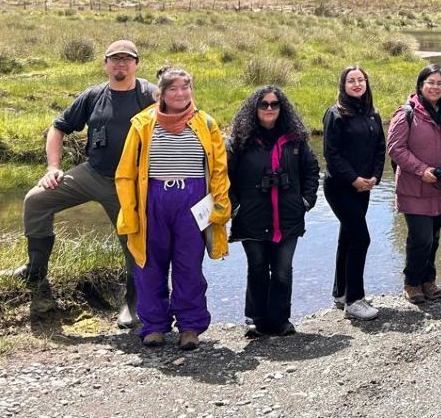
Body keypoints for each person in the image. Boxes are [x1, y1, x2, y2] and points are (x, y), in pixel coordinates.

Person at [6, 40, 155, 327]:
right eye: (114, 59)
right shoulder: (94, 95)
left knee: (134, 244)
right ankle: (35, 270)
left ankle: (132, 303)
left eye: (127, 59)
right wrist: (53, 168)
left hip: (132, 184)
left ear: (136, 63)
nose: (120, 64)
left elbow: (179, 118)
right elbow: (58, 127)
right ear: (105, 63)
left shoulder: (148, 94)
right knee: (36, 200)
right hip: (94, 173)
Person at [115, 67, 230, 350]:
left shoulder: (206, 123)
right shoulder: (142, 123)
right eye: (173, 89)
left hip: (192, 203)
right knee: (149, 265)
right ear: (161, 94)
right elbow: (126, 173)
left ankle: (189, 327)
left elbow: (218, 169)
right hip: (152, 200)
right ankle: (154, 326)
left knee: (188, 266)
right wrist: (129, 212)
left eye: (185, 87)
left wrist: (220, 204)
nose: (180, 94)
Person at [227, 85, 319, 337]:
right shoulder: (239, 141)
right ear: (254, 108)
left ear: (282, 108)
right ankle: (255, 319)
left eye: (274, 104)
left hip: (288, 216)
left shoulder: (296, 139)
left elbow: (312, 171)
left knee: (282, 270)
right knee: (256, 267)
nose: (269, 108)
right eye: (263, 104)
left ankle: (280, 320)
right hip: (251, 217)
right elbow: (225, 178)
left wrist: (306, 201)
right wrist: (236, 207)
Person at [387, 64, 441, 304]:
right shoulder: (406, 113)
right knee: (420, 238)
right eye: (430, 82)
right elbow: (395, 148)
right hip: (414, 189)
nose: (435, 87)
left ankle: (428, 281)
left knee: (433, 237)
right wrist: (422, 170)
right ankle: (411, 283)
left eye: (440, 83)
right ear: (421, 85)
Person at [323, 66, 386, 320]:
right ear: (343, 85)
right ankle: (355, 301)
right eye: (352, 81)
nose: (357, 84)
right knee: (361, 239)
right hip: (340, 187)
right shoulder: (335, 114)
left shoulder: (373, 114)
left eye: (361, 80)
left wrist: (374, 177)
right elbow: (331, 154)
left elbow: (380, 148)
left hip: (365, 187)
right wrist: (353, 179)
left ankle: (340, 293)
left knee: (347, 238)